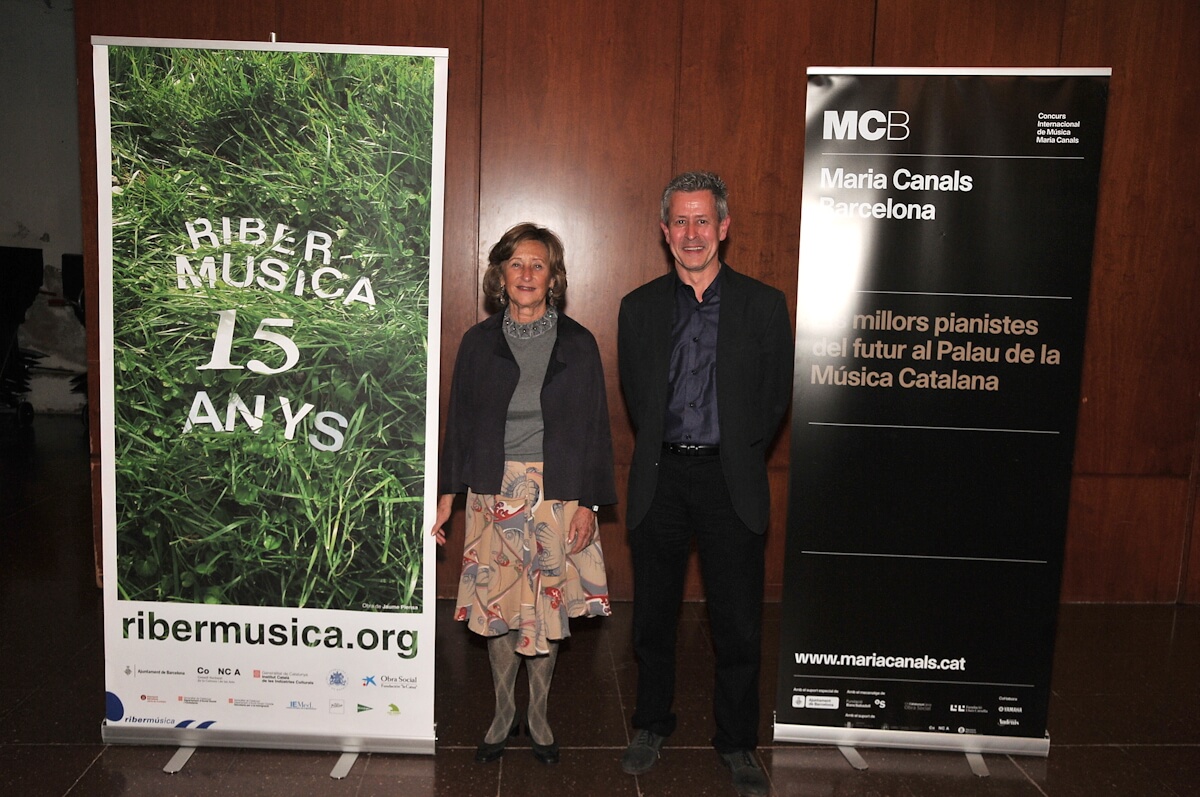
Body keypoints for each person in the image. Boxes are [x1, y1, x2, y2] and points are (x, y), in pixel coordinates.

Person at [617, 172, 792, 796]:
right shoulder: (638, 307)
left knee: (738, 622)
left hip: (728, 479)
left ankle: (738, 741)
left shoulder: (763, 305)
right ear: (665, 231)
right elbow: (638, 395)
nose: (692, 233)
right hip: (660, 477)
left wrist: (736, 451)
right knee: (653, 619)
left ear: (724, 227)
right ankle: (650, 724)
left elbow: (773, 399)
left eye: (703, 220)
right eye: (680, 222)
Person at [431, 222, 616, 766]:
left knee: (545, 611)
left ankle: (537, 713)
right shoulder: (477, 343)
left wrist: (590, 504)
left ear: (553, 277)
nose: (527, 274)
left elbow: (596, 429)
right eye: (517, 264)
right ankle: (501, 710)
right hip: (493, 492)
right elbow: (460, 423)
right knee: (498, 608)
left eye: (538, 265)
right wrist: (448, 494)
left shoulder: (579, 344)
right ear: (501, 275)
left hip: (557, 495)